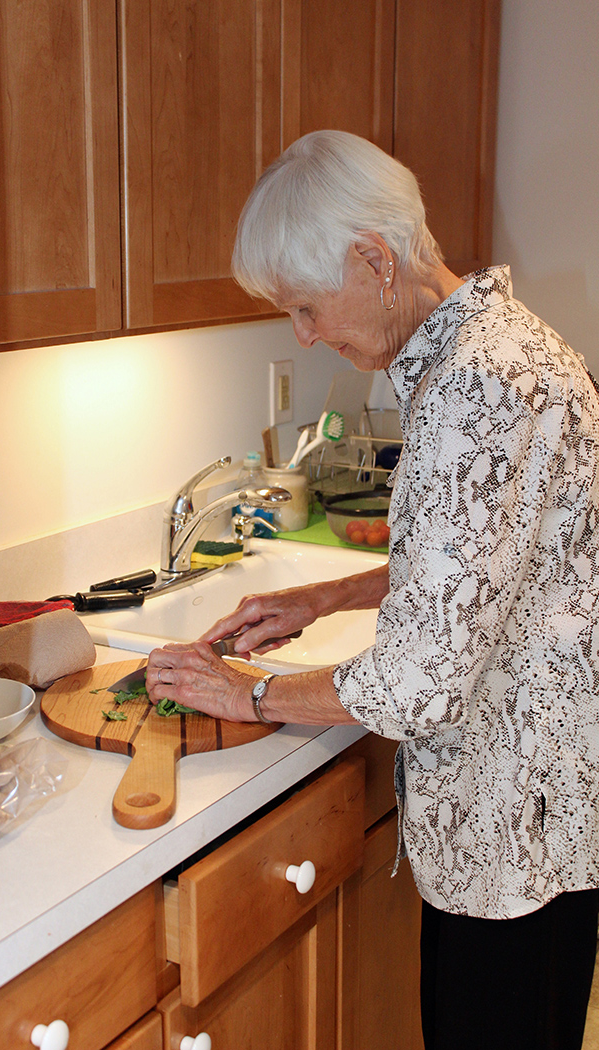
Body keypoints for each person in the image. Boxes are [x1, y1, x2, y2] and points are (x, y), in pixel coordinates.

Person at [145, 130, 599, 1050]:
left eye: (307, 307)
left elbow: (420, 681)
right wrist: (325, 598)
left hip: (507, 827)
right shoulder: (501, 347)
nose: (305, 335)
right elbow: (480, 569)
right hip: (540, 813)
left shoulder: (474, 386)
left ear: (373, 260)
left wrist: (254, 694)